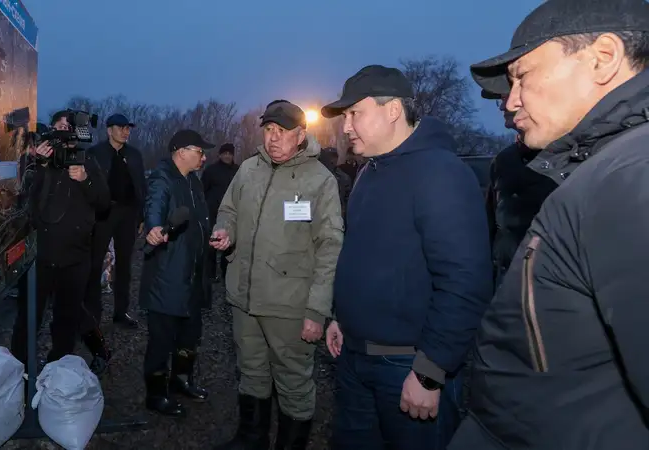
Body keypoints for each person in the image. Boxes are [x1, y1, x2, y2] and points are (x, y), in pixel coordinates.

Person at [450, 1, 649, 449]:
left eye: (522, 76)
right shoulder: (602, 169)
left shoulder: (633, 175)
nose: (511, 100)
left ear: (602, 58)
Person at [321, 65, 493, 450]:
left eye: (354, 113)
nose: (346, 127)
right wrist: (341, 318)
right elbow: (363, 257)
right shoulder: (368, 173)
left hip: (408, 367)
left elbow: (465, 282)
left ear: (394, 110)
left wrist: (431, 370)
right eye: (345, 117)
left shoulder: (441, 174)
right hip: (354, 359)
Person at [210, 100, 344, 449]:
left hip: (290, 306)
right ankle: (251, 440)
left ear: (301, 135)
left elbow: (330, 247)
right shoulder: (248, 169)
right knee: (251, 372)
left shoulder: (320, 180)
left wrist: (317, 310)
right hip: (244, 297)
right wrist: (226, 231)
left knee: (294, 383)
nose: (273, 138)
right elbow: (228, 210)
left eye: (282, 131)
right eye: (268, 130)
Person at [10, 110, 111, 370]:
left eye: (69, 126)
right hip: (39, 257)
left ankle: (58, 369)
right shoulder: (37, 161)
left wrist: (85, 180)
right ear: (52, 129)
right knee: (29, 317)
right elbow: (23, 201)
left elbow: (103, 204)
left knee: (67, 319)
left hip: (75, 257)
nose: (65, 131)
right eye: (60, 126)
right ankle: (19, 370)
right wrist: (39, 165)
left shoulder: (87, 162)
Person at [140, 129, 213, 417]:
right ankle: (156, 394)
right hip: (167, 276)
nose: (204, 157)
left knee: (190, 335)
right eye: (199, 151)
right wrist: (154, 228)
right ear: (181, 151)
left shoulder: (193, 182)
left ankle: (181, 380)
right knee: (162, 340)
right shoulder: (162, 178)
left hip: (192, 274)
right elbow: (154, 208)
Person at [481, 89, 557, 287]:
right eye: (501, 99)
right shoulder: (503, 161)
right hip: (505, 288)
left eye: (506, 96)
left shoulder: (569, 157)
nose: (503, 106)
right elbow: (490, 230)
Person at [86, 113, 147, 329]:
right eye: (121, 128)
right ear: (109, 130)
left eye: (127, 128)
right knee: (95, 264)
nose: (125, 131)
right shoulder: (95, 153)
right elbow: (87, 186)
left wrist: (141, 216)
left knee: (124, 265)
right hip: (103, 214)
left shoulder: (134, 155)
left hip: (128, 213)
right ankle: (92, 315)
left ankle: (121, 312)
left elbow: (141, 187)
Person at [201, 143, 239, 281]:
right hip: (212, 212)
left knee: (229, 244)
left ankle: (226, 273)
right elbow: (202, 190)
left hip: (233, 212)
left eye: (230, 154)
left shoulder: (238, 171)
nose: (227, 156)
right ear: (220, 155)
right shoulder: (211, 171)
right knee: (212, 244)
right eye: (225, 153)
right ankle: (210, 274)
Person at [318, 147, 352, 219]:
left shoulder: (343, 176)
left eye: (334, 157)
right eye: (330, 157)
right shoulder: (317, 175)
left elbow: (348, 198)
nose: (332, 159)